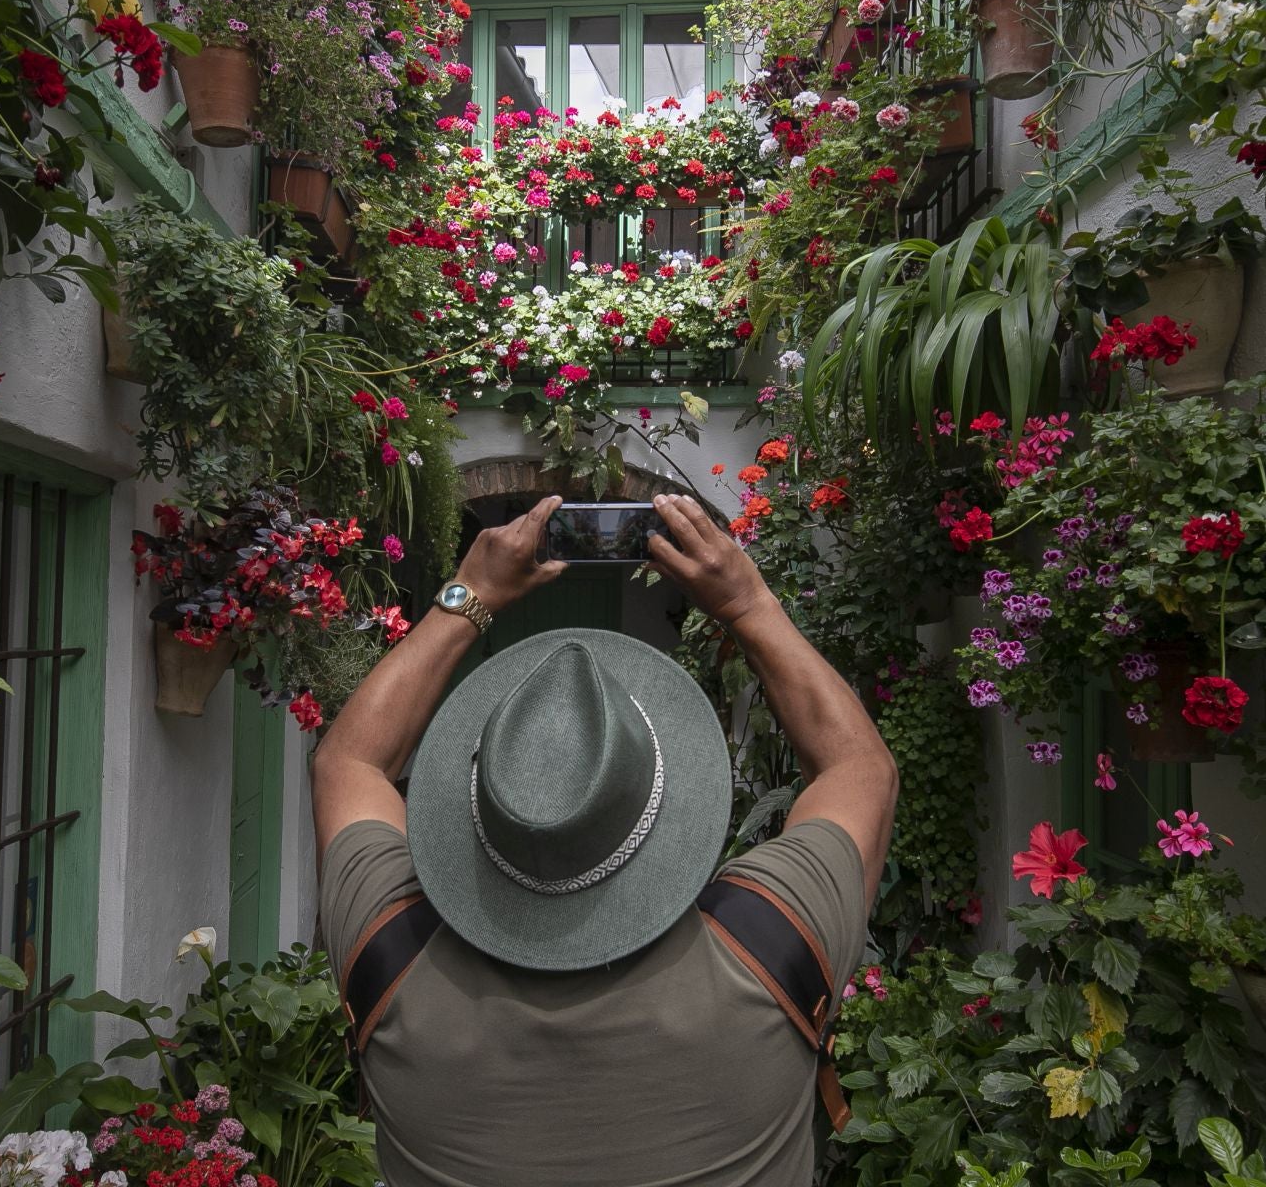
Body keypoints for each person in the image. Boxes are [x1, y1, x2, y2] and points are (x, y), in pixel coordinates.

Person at [312, 493, 900, 1187]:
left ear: (476, 809)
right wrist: (746, 604)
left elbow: (347, 764)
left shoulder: (391, 956)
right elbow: (860, 769)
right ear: (666, 801)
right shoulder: (768, 948)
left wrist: (468, 598)